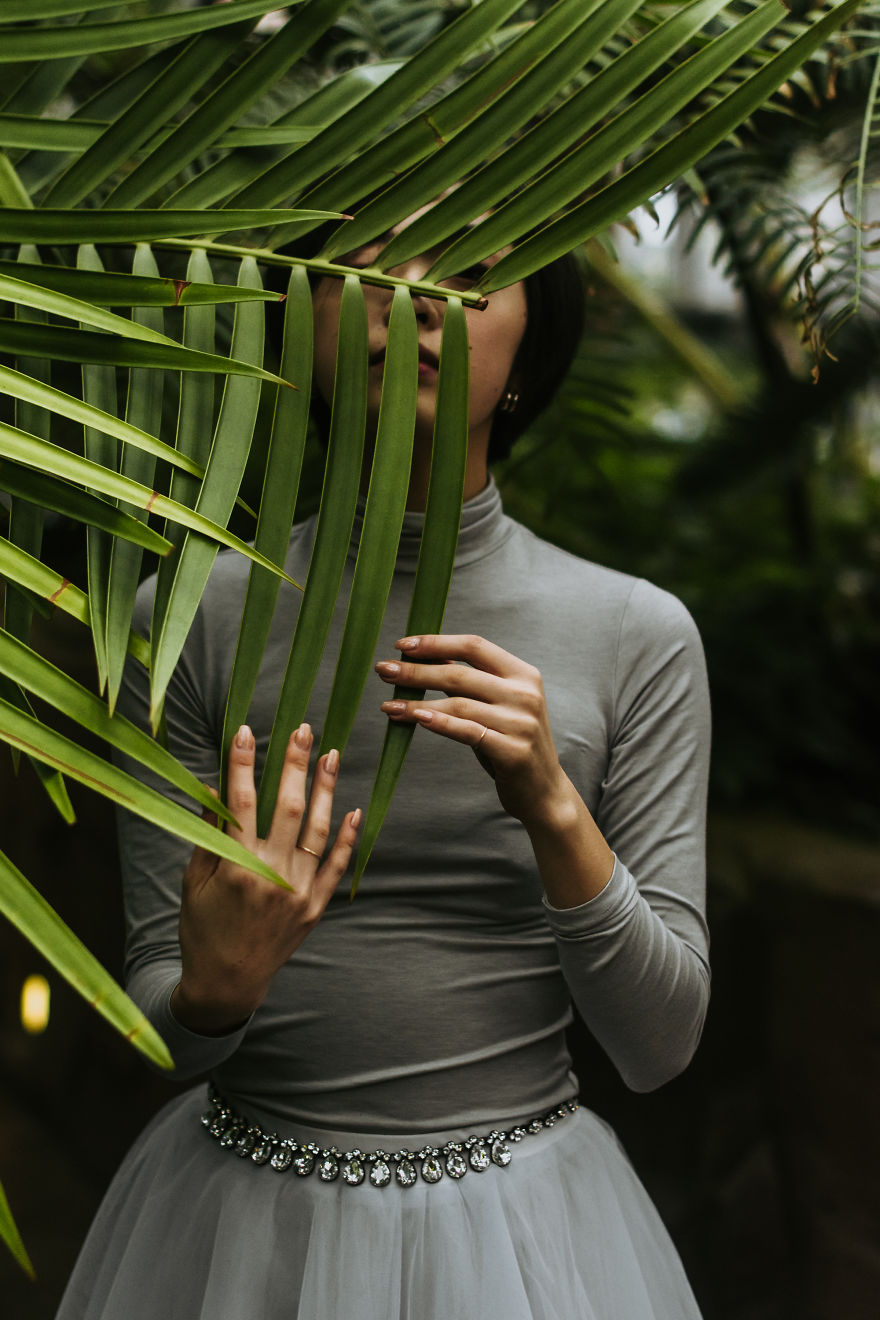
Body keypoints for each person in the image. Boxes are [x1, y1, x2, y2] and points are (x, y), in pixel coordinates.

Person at [57, 219, 711, 1319]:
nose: (404, 295)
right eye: (356, 263)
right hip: (237, 1238)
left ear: (531, 334)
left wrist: (554, 808)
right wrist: (215, 991)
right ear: (298, 327)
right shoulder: (187, 624)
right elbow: (159, 1033)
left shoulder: (635, 636)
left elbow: (660, 1046)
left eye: (465, 266)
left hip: (526, 1241)